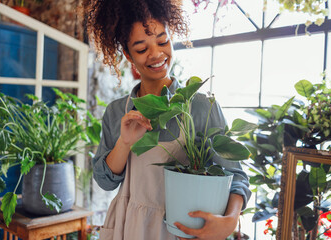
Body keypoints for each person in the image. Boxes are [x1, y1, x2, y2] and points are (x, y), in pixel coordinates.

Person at [83, 0, 251, 239]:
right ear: (129, 56)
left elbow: (236, 177)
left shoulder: (202, 105)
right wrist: (125, 142)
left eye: (163, 41)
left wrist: (229, 220)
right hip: (128, 225)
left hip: (183, 227)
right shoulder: (117, 110)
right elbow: (105, 182)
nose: (156, 54)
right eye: (142, 49)